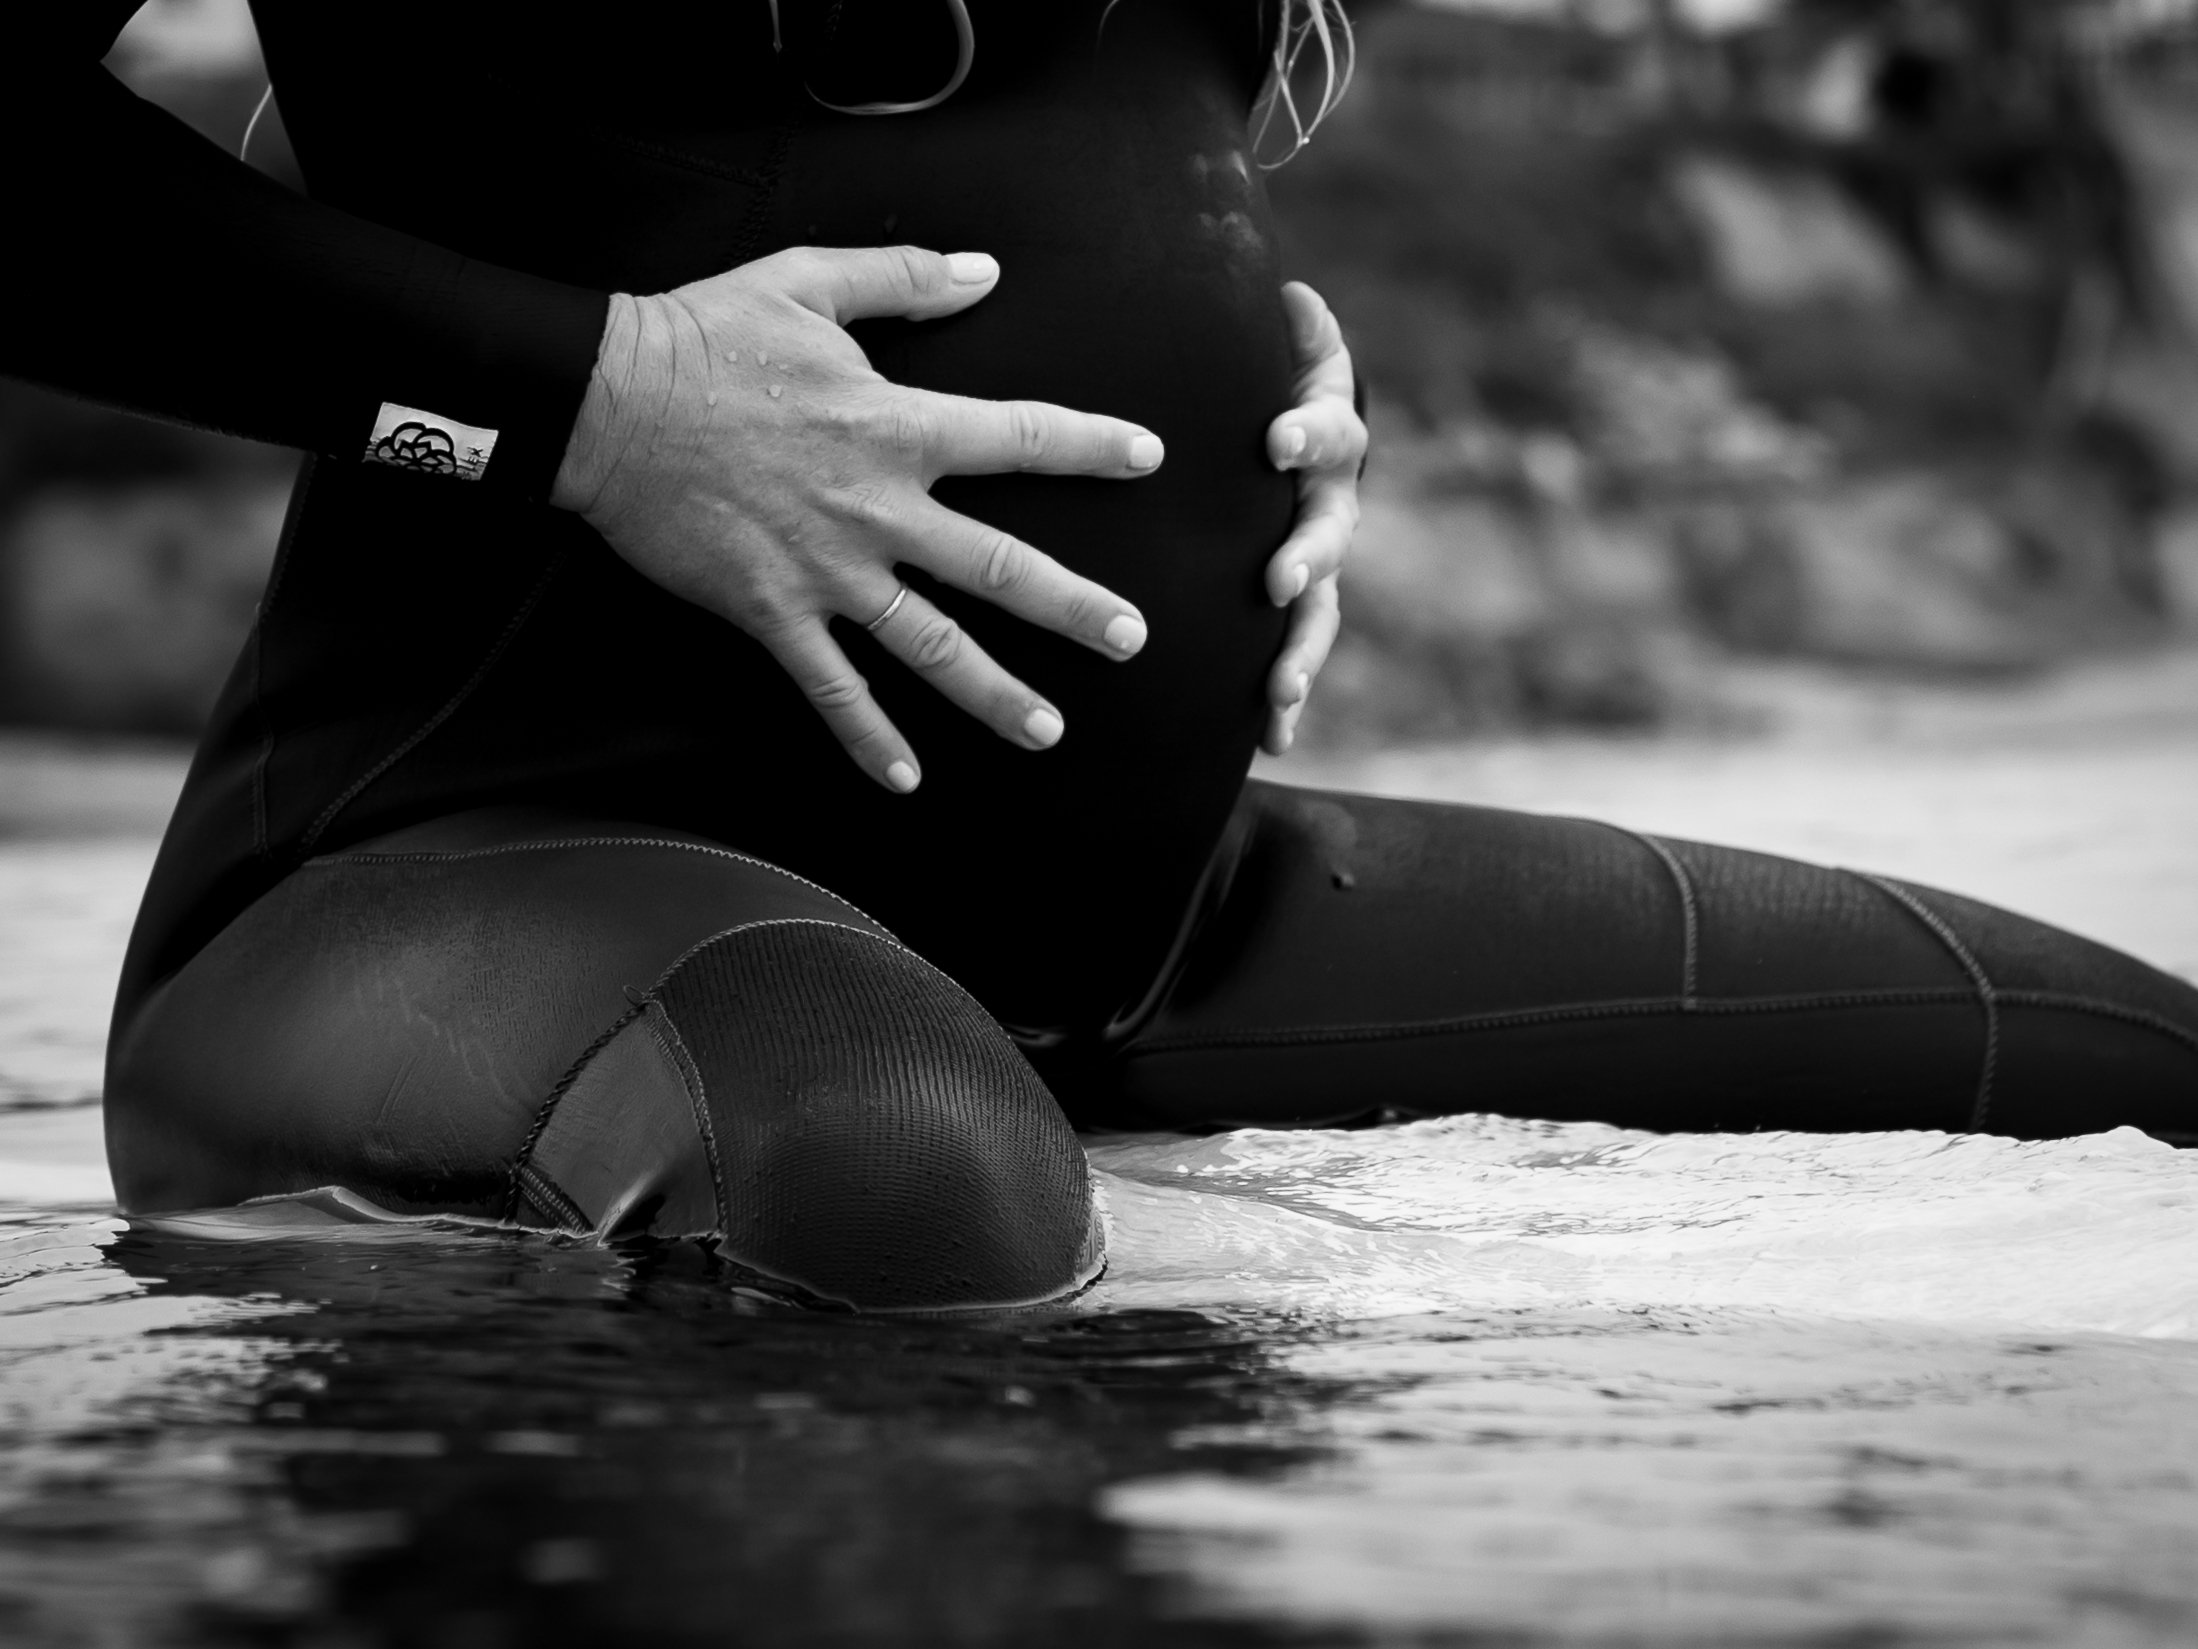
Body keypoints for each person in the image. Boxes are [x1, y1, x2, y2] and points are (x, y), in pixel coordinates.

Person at [9, 1, 2195, 1313]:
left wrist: (1259, 382)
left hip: (1130, 918)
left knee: (2122, 1069)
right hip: (471, 874)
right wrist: (605, 403)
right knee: (897, 1170)